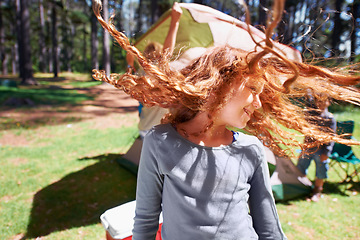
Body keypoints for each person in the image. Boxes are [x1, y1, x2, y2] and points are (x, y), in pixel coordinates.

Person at [92, 0, 360, 239]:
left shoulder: (250, 150)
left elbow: (268, 227)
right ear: (218, 85)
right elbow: (146, 220)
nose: (257, 104)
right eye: (253, 90)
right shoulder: (160, 142)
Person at [127, 2, 183, 139]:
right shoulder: (153, 72)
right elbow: (167, 53)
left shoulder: (141, 73)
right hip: (156, 131)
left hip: (145, 128)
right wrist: (175, 22)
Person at [297, 93, 336, 202]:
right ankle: (302, 188)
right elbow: (307, 134)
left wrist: (326, 153)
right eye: (318, 101)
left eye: (323, 101)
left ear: (328, 102)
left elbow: (331, 137)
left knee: (321, 169)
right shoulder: (311, 115)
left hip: (322, 150)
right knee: (300, 167)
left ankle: (317, 191)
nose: (321, 104)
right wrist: (304, 148)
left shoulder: (330, 118)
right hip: (309, 148)